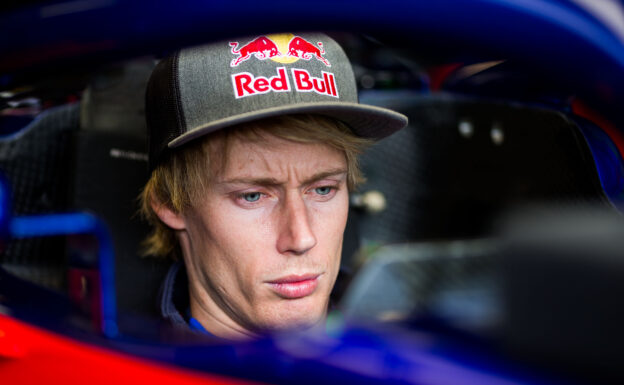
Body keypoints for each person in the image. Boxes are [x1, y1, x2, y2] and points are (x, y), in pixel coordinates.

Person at [140, 32, 407, 340]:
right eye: (252, 196)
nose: (301, 238)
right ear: (170, 202)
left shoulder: (408, 342)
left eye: (323, 189)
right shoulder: (127, 366)